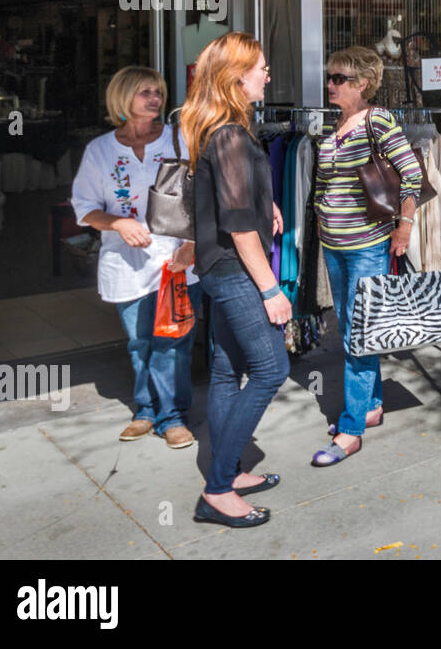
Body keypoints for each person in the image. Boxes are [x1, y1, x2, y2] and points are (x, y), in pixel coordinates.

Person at [181, 32, 289, 528]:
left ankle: (231, 469)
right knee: (271, 369)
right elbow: (239, 226)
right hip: (234, 271)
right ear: (235, 76)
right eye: (260, 68)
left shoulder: (222, 129)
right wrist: (271, 289)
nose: (267, 74)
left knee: (227, 372)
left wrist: (266, 201)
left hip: (217, 269)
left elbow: (236, 201)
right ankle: (218, 489)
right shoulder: (228, 133)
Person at [71, 67, 201, 448]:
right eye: (145, 92)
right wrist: (117, 224)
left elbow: (200, 198)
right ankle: (146, 409)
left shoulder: (180, 141)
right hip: (124, 262)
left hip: (175, 259)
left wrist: (192, 245)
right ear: (122, 98)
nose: (155, 99)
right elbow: (84, 208)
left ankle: (172, 416)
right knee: (140, 342)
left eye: (158, 92)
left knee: (172, 341)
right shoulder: (100, 150)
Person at [310, 46, 423, 466]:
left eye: (338, 78)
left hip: (367, 246)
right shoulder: (333, 125)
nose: (330, 85)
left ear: (362, 84)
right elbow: (324, 185)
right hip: (334, 245)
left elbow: (411, 176)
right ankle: (372, 404)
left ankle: (351, 428)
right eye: (329, 77)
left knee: (359, 335)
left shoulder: (378, 120)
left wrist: (404, 227)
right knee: (356, 329)